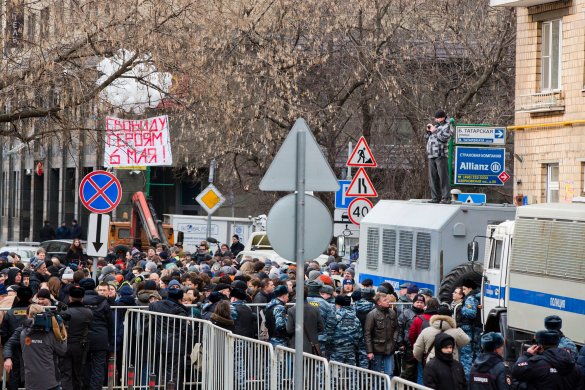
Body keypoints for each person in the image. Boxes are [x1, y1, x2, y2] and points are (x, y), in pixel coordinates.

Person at [3, 304, 67, 390]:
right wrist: (61, 331)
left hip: (33, 382)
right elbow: (62, 350)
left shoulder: (23, 332)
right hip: (50, 382)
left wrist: (7, 358)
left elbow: (9, 344)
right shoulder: (51, 333)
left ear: (27, 315)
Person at [511, 330, 582, 389]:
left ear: (540, 346)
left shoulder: (537, 364)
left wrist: (527, 354)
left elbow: (516, 371)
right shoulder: (573, 365)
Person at [81, 277, 113, 390]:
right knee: (99, 367)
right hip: (101, 338)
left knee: (85, 365)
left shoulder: (80, 301)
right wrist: (109, 339)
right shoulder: (103, 302)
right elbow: (110, 322)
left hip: (83, 337)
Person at [61, 285, 93, 390]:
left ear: (70, 297)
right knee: (78, 373)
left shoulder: (64, 312)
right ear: (82, 298)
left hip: (65, 345)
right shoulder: (88, 312)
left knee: (66, 373)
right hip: (80, 346)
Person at [325, 295, 366, 367]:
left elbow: (329, 332)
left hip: (336, 351)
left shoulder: (335, 316)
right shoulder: (355, 317)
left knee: (335, 374)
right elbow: (360, 336)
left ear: (337, 304)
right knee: (350, 374)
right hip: (351, 350)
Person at [364, 292, 399, 377]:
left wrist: (394, 340)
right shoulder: (372, 314)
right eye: (385, 300)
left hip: (390, 348)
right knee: (376, 374)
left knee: (389, 373)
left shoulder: (392, 312)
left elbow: (397, 328)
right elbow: (367, 333)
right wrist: (369, 351)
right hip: (377, 349)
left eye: (387, 299)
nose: (388, 301)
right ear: (379, 302)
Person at [425, 109, 453, 204]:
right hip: (431, 154)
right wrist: (428, 132)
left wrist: (434, 131)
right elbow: (427, 139)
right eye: (436, 118)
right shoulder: (437, 126)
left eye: (438, 118)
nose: (436, 120)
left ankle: (446, 197)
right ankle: (435, 197)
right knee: (432, 178)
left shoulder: (448, 126)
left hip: (441, 154)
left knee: (443, 177)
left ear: (443, 117)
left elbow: (444, 138)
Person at [286, 286, 323, 355]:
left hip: (297, 345)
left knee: (296, 365)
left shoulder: (292, 310)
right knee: (311, 365)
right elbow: (321, 327)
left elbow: (289, 329)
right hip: (312, 345)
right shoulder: (315, 309)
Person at [459, 278, 482, 378]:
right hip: (475, 331)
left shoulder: (470, 298)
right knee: (476, 357)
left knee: (466, 359)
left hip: (469, 331)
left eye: (464, 289)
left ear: (469, 288)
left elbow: (470, 313)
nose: (463, 292)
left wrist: (461, 308)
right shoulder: (477, 297)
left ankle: (466, 383)